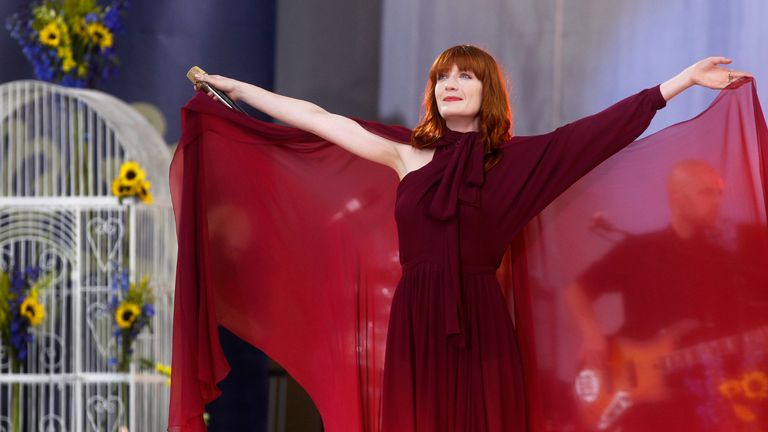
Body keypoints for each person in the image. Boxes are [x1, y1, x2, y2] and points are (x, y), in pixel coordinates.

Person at [189, 45, 751, 431]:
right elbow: (315, 117)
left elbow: (601, 131)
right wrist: (235, 87)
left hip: (480, 324)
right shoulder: (405, 155)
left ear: (489, 91)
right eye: (442, 77)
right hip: (417, 324)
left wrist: (681, 82)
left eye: (466, 76)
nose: (451, 85)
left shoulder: (522, 161)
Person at [566, 160, 768, 430]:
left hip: (708, 393)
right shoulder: (638, 249)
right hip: (645, 400)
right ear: (677, 197)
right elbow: (577, 290)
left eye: (719, 192)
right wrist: (592, 334)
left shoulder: (727, 257)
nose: (717, 201)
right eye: (706, 192)